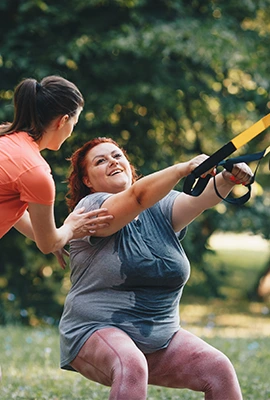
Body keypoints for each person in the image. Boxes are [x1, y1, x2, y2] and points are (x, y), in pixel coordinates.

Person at [59, 137, 252, 399]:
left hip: (160, 337)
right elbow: (138, 197)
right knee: (130, 363)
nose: (112, 162)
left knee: (218, 369)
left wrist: (231, 177)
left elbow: (200, 200)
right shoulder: (90, 209)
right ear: (87, 181)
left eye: (117, 156)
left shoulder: (159, 208)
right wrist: (182, 168)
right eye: (100, 161)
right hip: (93, 330)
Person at [0, 76, 112, 268]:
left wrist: (50, 235)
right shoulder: (36, 172)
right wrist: (68, 229)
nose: (71, 132)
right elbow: (47, 244)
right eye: (74, 124)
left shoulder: (5, 138)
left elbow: (7, 203)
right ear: (63, 121)